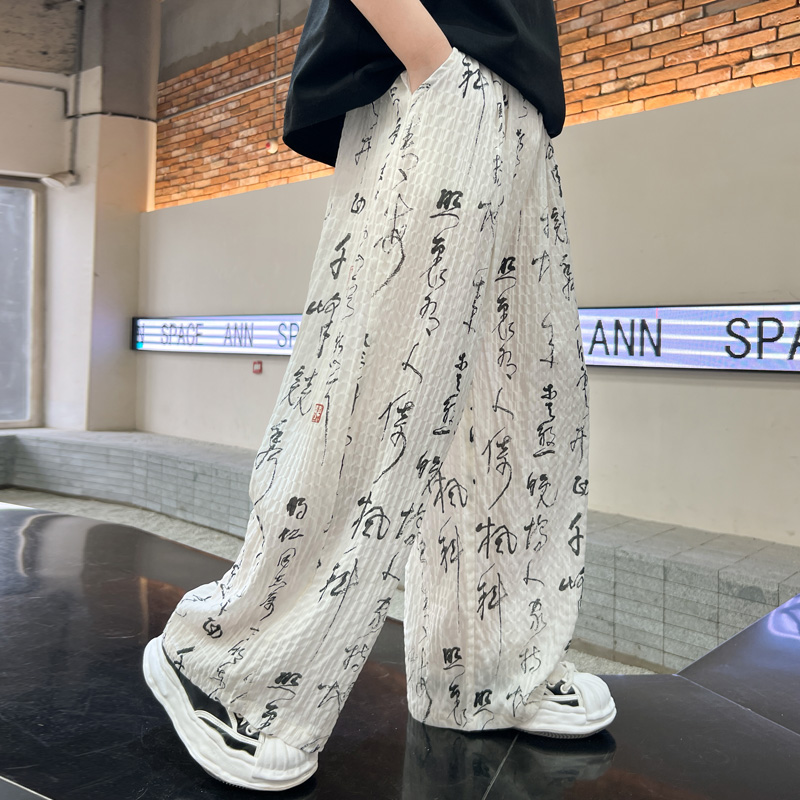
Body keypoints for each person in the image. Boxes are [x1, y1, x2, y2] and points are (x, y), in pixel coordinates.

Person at [142, 0, 616, 791]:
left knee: (519, 407)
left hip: (518, 91)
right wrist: (433, 60)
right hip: (437, 65)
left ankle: (483, 670)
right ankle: (227, 669)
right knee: (376, 394)